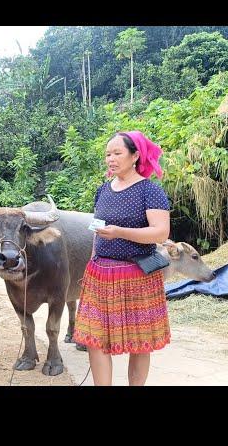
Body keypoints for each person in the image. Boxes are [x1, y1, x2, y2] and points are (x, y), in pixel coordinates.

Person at [73, 130, 171, 386]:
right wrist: (91, 264)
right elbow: (98, 230)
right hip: (100, 274)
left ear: (135, 155)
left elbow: (160, 232)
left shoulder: (150, 191)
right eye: (108, 154)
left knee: (140, 342)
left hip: (137, 275)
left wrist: (119, 232)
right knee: (96, 339)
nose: (111, 159)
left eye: (117, 153)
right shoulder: (103, 190)